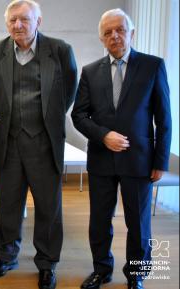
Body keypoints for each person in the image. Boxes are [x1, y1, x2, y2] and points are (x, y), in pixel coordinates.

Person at [72, 8, 172, 289]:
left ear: (132, 33)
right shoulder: (90, 72)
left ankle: (136, 275)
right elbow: (78, 115)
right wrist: (103, 136)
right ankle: (102, 270)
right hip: (102, 159)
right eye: (107, 32)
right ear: (102, 38)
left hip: (139, 160)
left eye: (120, 30)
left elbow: (164, 118)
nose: (114, 36)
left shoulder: (153, 66)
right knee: (99, 221)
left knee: (139, 224)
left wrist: (160, 161)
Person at [0, 1, 77, 288]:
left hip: (45, 142)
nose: (18, 25)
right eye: (13, 20)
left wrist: (48, 118)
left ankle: (47, 263)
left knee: (49, 207)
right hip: (8, 142)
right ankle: (7, 255)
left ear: (39, 21)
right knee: (7, 204)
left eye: (24, 19)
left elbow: (69, 89)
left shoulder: (59, 49)